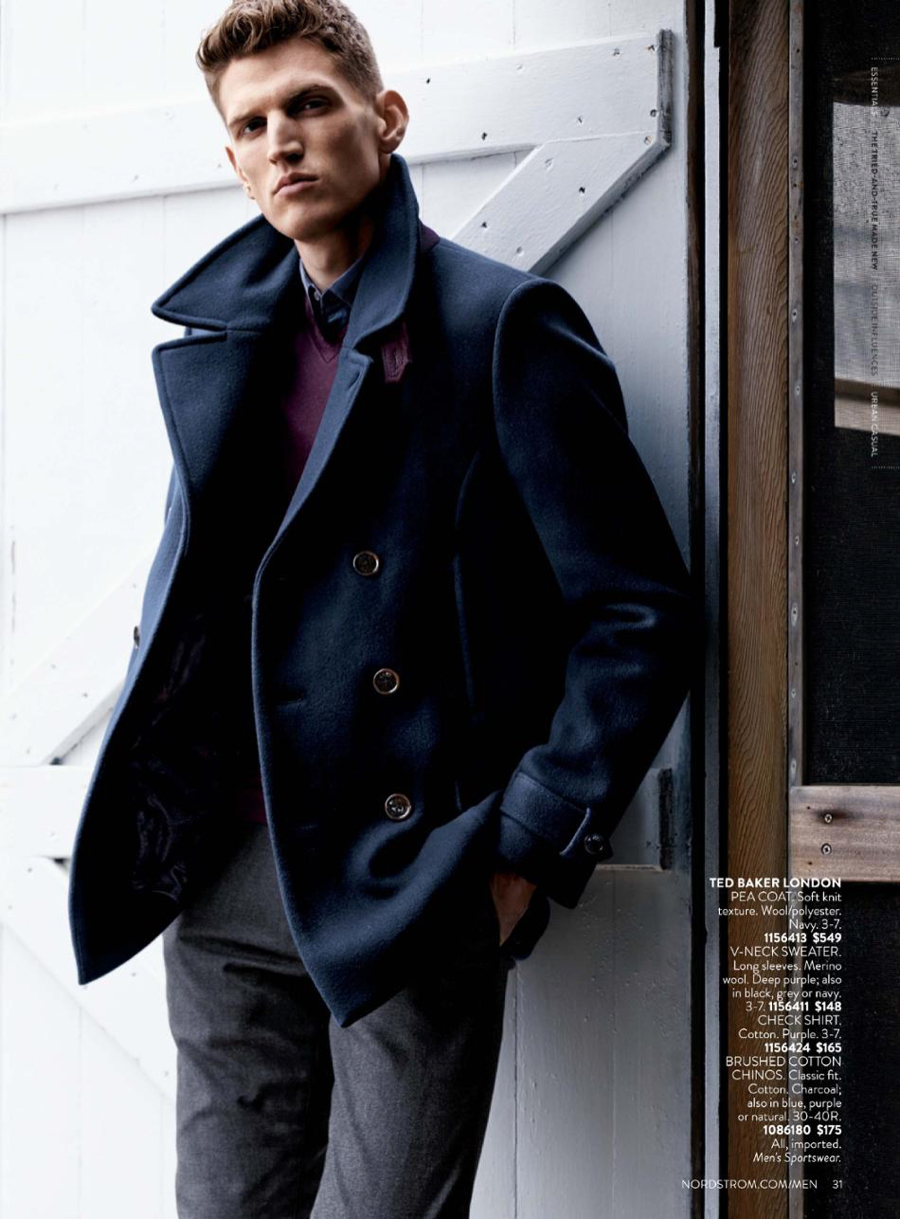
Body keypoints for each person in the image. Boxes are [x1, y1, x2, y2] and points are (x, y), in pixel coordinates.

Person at [67, 1, 695, 1214]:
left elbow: (638, 610)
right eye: (253, 124)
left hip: (406, 881)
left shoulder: (499, 327)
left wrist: (521, 849)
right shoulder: (228, 337)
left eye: (310, 103)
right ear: (233, 160)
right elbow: (198, 586)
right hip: (223, 873)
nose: (283, 140)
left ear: (386, 116)